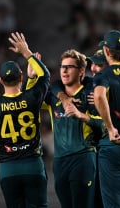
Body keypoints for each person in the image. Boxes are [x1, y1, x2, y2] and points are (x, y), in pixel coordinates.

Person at [0, 32, 50, 208]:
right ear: (21, 78)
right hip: (33, 165)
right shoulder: (32, 98)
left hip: (8, 168)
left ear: (0, 80)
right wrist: (26, 52)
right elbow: (44, 75)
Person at [41, 49, 104, 208]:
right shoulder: (54, 95)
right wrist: (33, 76)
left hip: (83, 158)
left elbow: (104, 124)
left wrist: (81, 115)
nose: (64, 70)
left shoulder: (91, 94)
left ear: (81, 71)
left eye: (70, 67)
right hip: (60, 161)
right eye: (63, 66)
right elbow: (31, 98)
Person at [93, 29, 120, 207]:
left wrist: (110, 128)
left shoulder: (104, 75)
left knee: (113, 201)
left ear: (106, 51)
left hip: (113, 146)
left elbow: (98, 96)